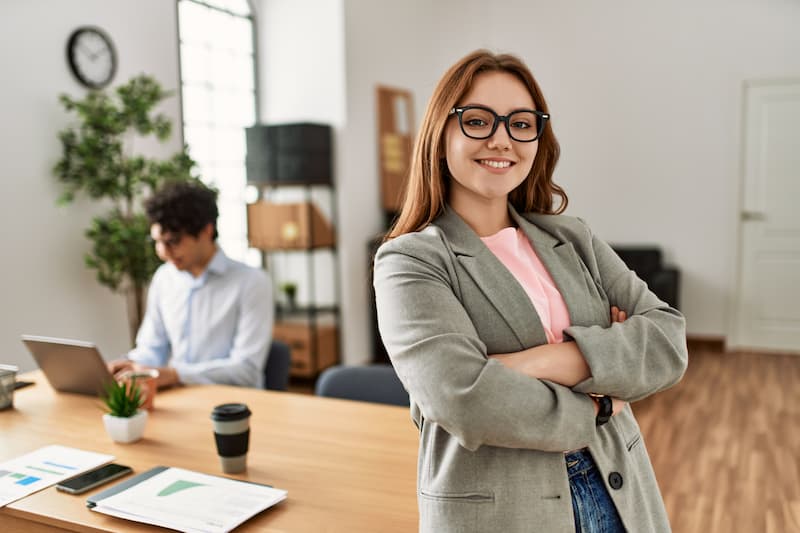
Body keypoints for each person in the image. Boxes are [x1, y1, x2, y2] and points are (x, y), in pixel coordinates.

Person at [373, 50, 688, 533]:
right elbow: (463, 399)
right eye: (477, 120)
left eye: (521, 123)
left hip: (618, 489)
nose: (502, 139)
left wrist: (529, 364)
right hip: (501, 509)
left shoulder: (572, 236)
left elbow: (667, 342)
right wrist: (603, 397)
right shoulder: (410, 261)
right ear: (440, 136)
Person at [109, 181, 273, 389]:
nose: (163, 252)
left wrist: (176, 374)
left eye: (173, 241)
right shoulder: (164, 278)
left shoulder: (251, 283)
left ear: (206, 231)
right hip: (178, 401)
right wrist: (127, 365)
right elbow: (152, 349)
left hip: (231, 405)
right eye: (157, 242)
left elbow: (246, 371)